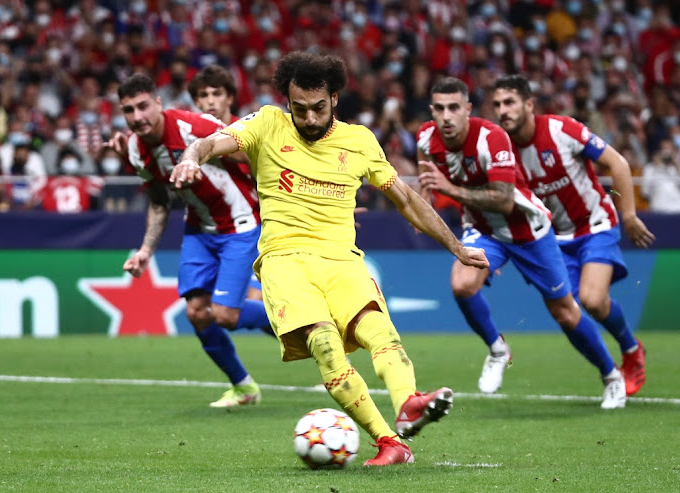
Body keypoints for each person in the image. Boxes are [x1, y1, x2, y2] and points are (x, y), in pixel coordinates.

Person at [169, 52, 489, 466]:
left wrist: (457, 246)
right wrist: (192, 157)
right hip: (284, 260)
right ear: (287, 100)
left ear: (334, 98)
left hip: (342, 260)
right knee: (324, 344)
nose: (309, 118)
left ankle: (409, 402)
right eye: (298, 108)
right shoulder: (267, 123)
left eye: (318, 108)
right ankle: (388, 441)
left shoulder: (359, 141)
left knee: (377, 329)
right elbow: (212, 141)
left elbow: (407, 200)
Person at [417, 77, 626, 409]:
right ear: (432, 110)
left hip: (529, 231)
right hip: (486, 233)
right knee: (462, 284)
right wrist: (426, 197)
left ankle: (611, 376)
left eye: (454, 108)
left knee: (565, 312)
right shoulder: (426, 137)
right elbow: (427, 170)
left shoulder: (492, 138)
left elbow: (502, 200)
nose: (446, 116)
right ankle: (498, 349)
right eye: (440, 108)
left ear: (467, 110)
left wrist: (448, 188)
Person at [109, 73, 271, 408]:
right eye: (129, 110)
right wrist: (145, 250)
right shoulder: (137, 151)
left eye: (143, 107)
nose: (137, 117)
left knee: (224, 314)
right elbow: (158, 201)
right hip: (199, 230)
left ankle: (298, 321)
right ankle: (243, 387)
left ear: (158, 104)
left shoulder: (193, 127)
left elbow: (255, 158)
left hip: (240, 225)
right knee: (197, 313)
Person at [491, 74, 656, 396]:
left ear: (528, 104)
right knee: (567, 315)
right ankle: (609, 375)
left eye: (509, 102)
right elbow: (505, 203)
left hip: (595, 224)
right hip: (552, 240)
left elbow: (618, 163)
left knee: (593, 300)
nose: (502, 110)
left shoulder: (561, 129)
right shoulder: (501, 149)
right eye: (497, 104)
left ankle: (632, 350)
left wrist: (630, 215)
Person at [187, 64, 263, 302]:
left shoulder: (249, 133)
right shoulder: (188, 136)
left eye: (217, 93)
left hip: (254, 229)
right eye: (204, 95)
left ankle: (308, 336)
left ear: (230, 97)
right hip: (207, 232)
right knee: (199, 310)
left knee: (254, 300)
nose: (211, 101)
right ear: (197, 102)